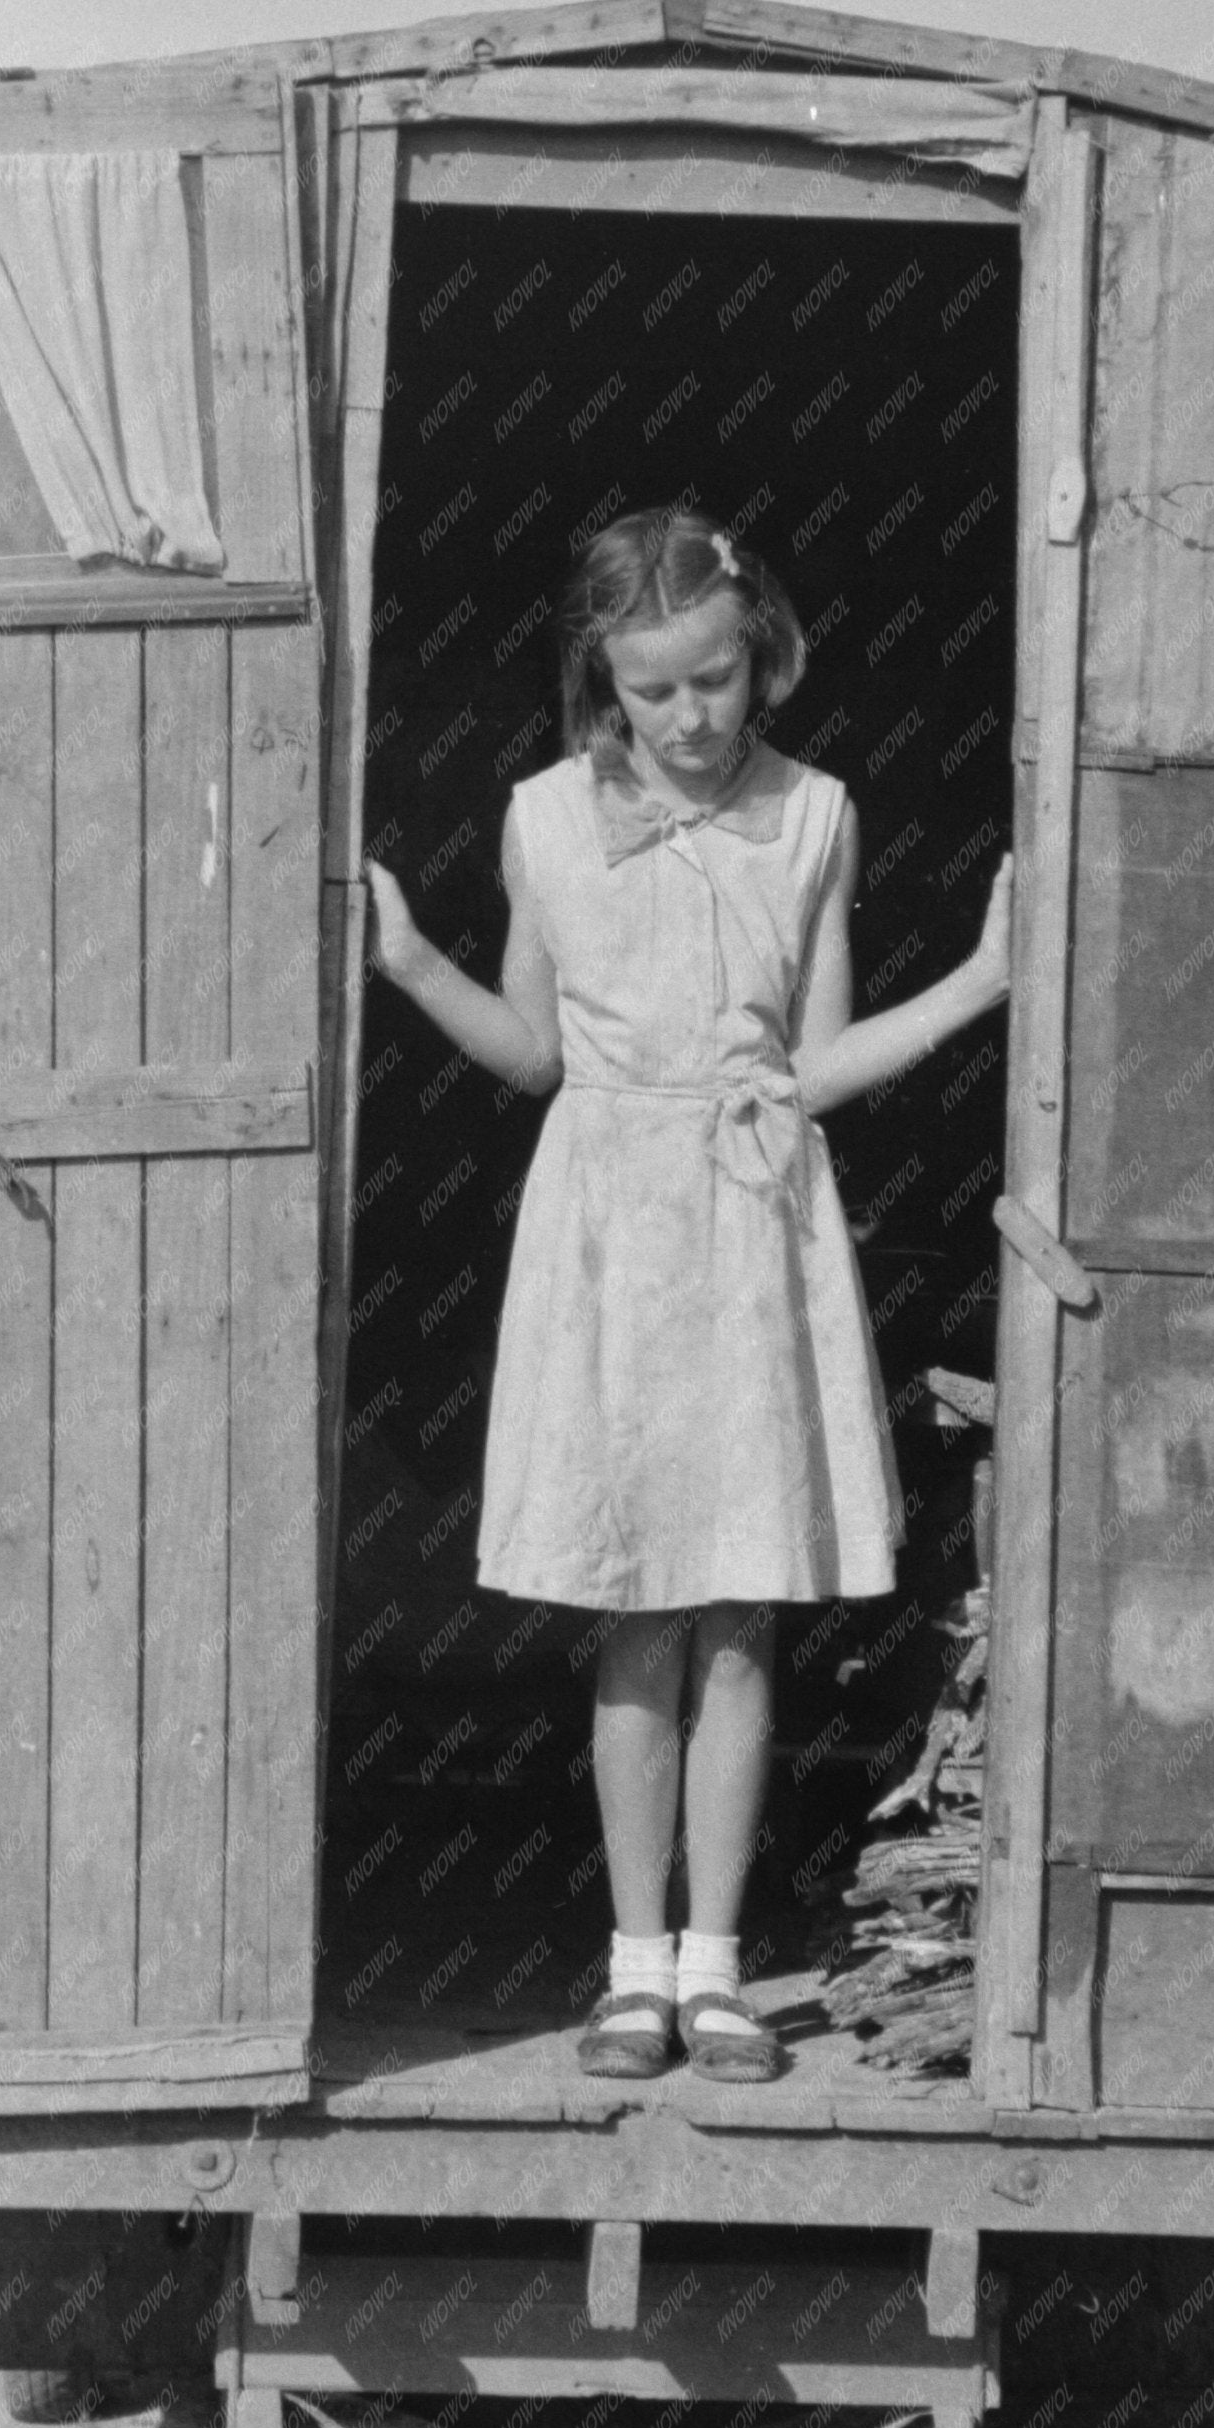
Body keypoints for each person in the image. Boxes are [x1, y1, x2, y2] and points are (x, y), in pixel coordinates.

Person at [366, 504, 1012, 2082]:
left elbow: (813, 1068)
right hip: (605, 1245)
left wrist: (981, 982)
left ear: (762, 656)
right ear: (605, 681)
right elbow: (534, 1053)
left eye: (716, 680)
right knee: (631, 1620)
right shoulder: (540, 819)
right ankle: (629, 1967)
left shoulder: (817, 820)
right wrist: (409, 964)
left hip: (752, 1229)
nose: (689, 718)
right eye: (653, 691)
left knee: (737, 1619)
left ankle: (718, 1968)